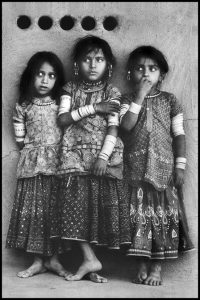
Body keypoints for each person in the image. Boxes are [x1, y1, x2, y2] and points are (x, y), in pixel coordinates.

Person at [50, 35, 131, 283]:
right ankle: (88, 258)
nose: (93, 65)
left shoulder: (112, 92)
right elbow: (63, 120)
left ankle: (91, 264)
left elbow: (114, 128)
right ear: (77, 64)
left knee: (95, 214)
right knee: (72, 209)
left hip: (100, 160)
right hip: (73, 158)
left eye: (98, 59)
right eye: (87, 60)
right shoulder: (69, 89)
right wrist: (95, 108)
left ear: (108, 65)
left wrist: (104, 157)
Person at [119, 45, 194, 286]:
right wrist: (139, 96)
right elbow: (126, 127)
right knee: (138, 218)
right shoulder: (126, 99)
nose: (146, 73)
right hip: (135, 170)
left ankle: (157, 268)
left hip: (164, 172)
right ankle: (140, 264)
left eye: (152, 68)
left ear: (161, 75)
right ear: (131, 73)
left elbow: (179, 135)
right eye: (140, 68)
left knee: (164, 218)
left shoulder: (170, 100)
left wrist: (180, 167)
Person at [6, 51, 71, 278]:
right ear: (30, 76)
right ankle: (37, 261)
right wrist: (33, 150)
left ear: (57, 79)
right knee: (35, 213)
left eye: (51, 75)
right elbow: (21, 137)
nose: (45, 80)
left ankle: (53, 260)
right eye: (40, 74)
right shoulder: (23, 106)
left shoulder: (60, 107)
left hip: (56, 167)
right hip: (32, 167)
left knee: (53, 213)